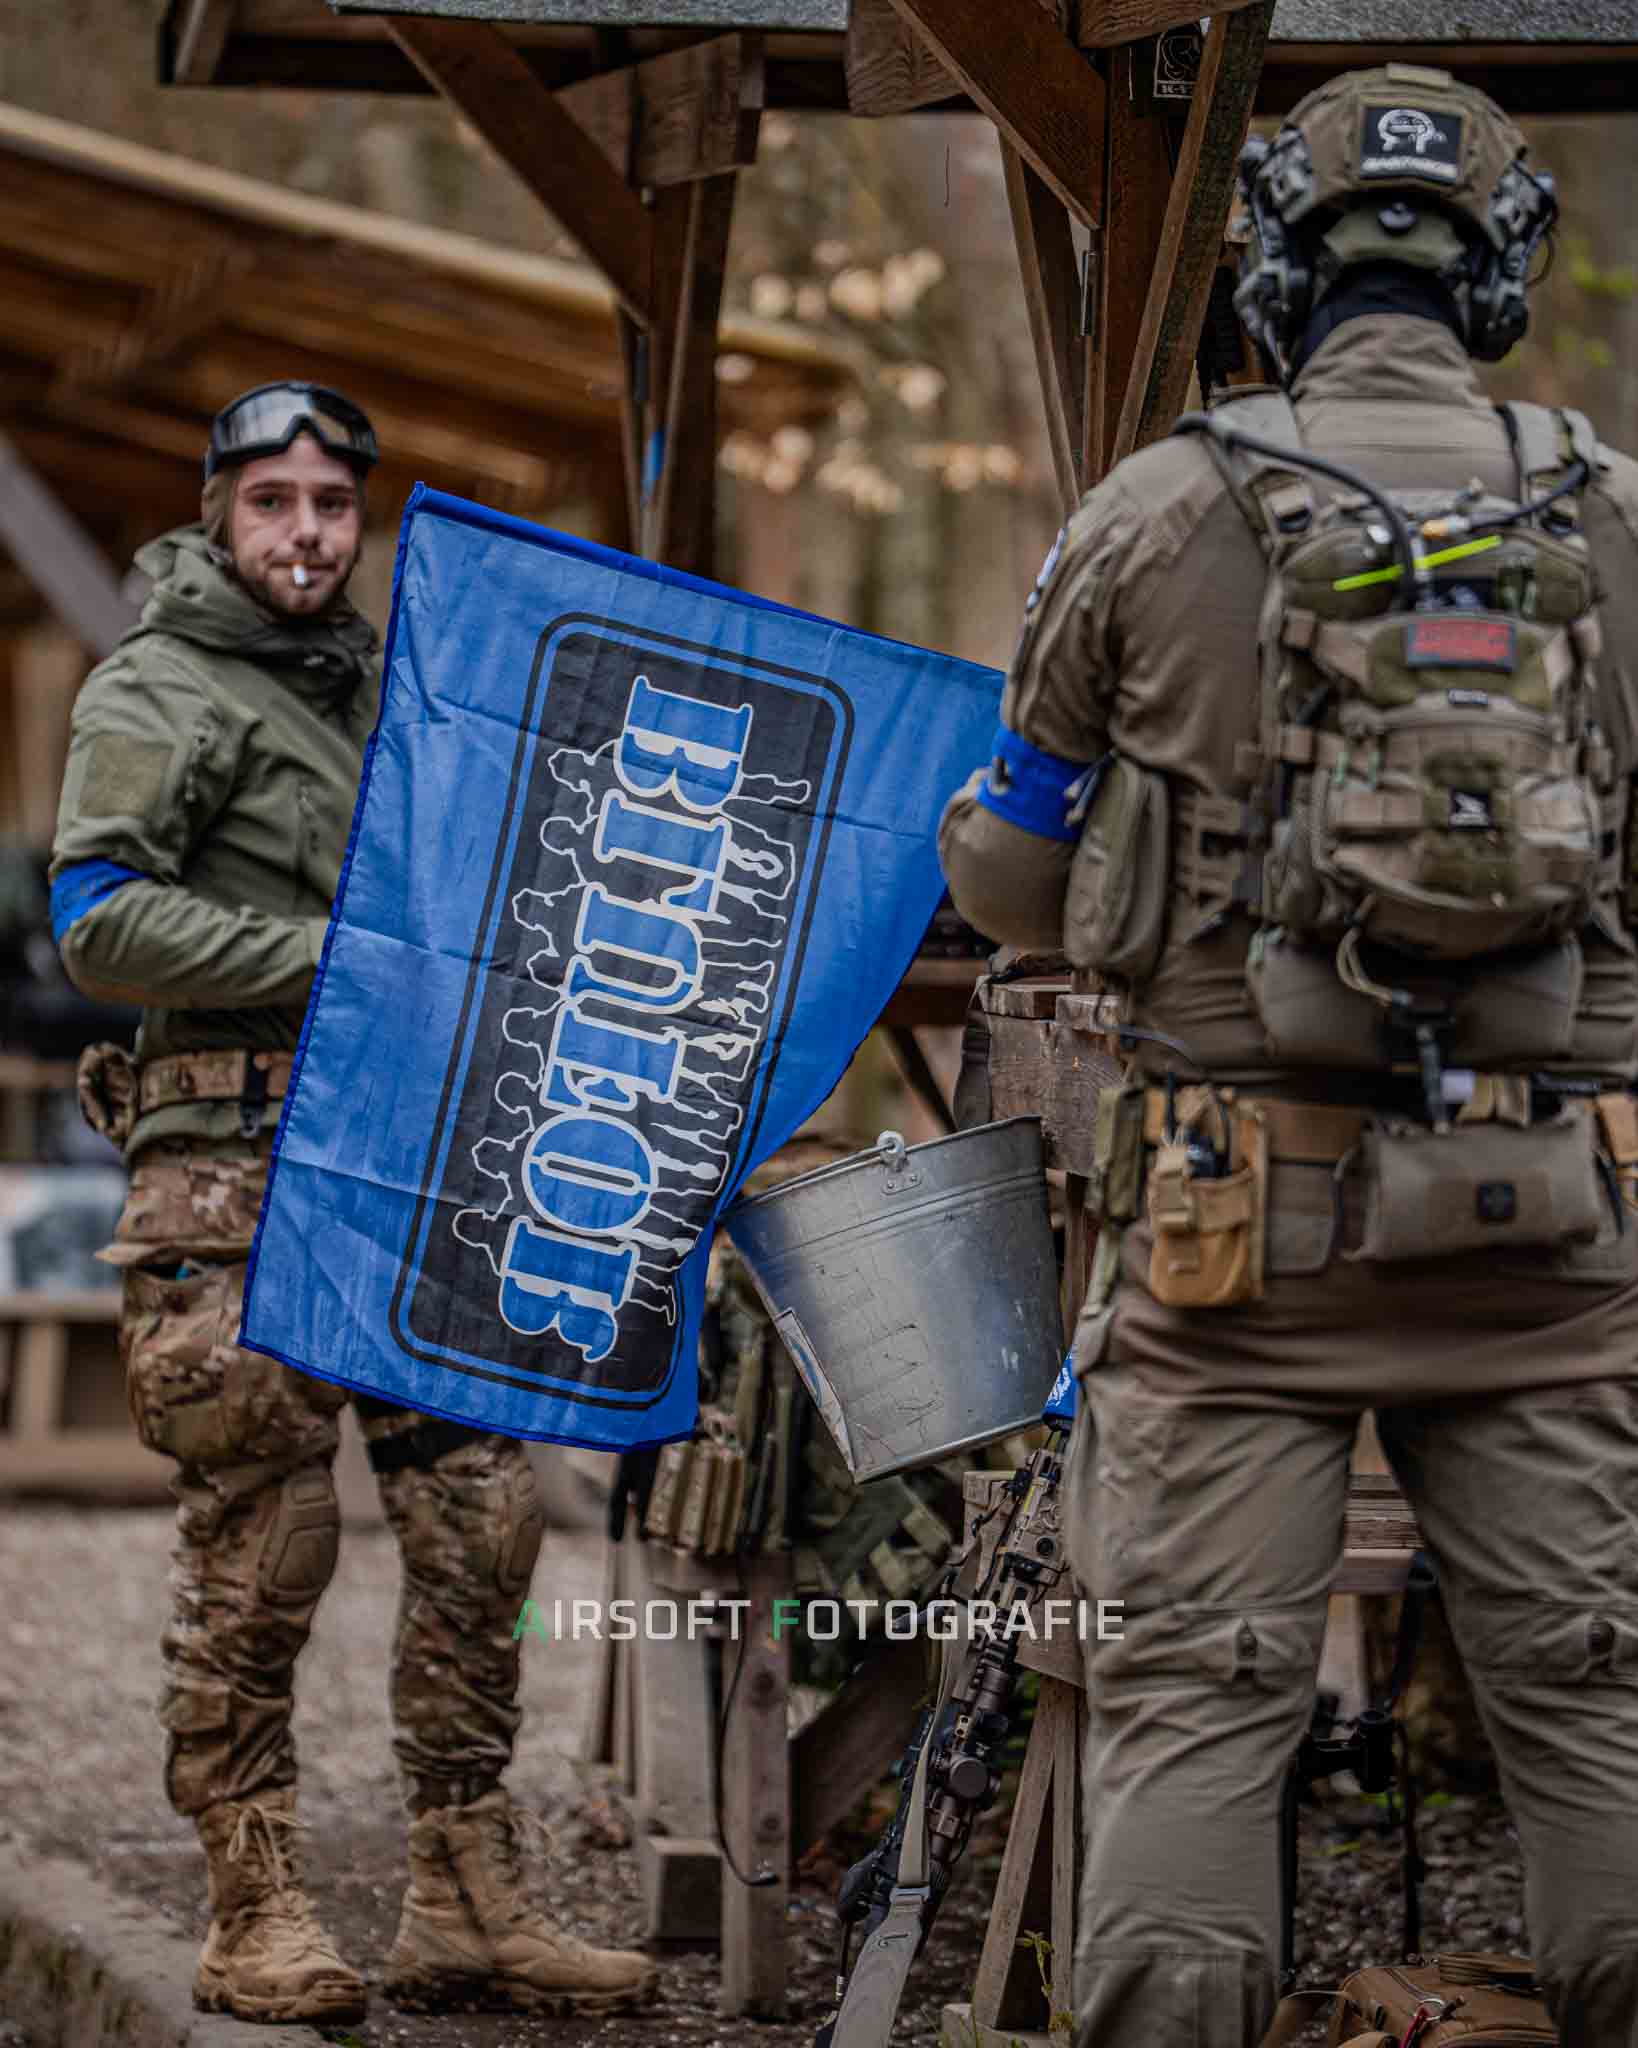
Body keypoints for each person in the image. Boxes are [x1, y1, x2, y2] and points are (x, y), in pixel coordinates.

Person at [940, 68, 1638, 2048]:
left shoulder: (1153, 510)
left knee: (1193, 1698)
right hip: (1546, 1224)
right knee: (1592, 1699)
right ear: (1497, 269)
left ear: (1273, 266)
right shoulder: (1610, 513)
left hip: (1232, 1238)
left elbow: (1013, 874)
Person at [49, 382, 655, 2026]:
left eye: (332, 504)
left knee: (481, 1521)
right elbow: (97, 918)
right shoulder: (159, 686)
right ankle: (252, 1906)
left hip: (407, 1159)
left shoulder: (389, 687)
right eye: (274, 503)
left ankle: (464, 1897)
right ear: (219, 514)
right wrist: (338, 959)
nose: (308, 533)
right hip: (235, 1173)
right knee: (264, 1541)